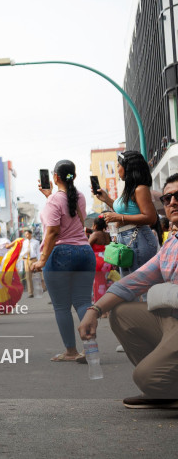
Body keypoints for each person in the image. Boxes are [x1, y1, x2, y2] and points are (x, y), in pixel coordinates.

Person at [78, 172, 178, 408]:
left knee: (146, 378)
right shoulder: (171, 243)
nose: (173, 202)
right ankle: (167, 388)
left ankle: (162, 383)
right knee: (121, 312)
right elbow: (135, 280)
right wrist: (93, 310)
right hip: (171, 318)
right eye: (167, 198)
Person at [32, 160, 95, 362]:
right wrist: (49, 196)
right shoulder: (80, 196)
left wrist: (42, 261)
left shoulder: (54, 201)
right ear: (73, 177)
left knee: (61, 306)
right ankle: (91, 348)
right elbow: (73, 217)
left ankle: (71, 351)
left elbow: (52, 232)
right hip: (85, 252)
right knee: (84, 301)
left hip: (61, 254)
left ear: (55, 177)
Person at [95, 151, 158, 276]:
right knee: (129, 287)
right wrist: (106, 199)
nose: (117, 169)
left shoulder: (140, 189)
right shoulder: (130, 189)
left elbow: (151, 218)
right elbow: (124, 211)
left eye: (118, 166)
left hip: (138, 238)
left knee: (140, 287)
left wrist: (119, 217)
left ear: (127, 168)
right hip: (127, 239)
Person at [89, 217, 113, 303]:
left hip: (97, 262)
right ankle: (107, 305)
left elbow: (88, 247)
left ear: (95, 225)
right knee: (105, 283)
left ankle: (101, 307)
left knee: (98, 284)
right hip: (107, 261)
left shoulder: (95, 235)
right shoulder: (107, 235)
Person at [21, 229, 43, 297]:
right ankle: (30, 293)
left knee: (36, 276)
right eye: (25, 234)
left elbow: (38, 252)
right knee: (28, 277)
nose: (26, 235)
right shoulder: (24, 242)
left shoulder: (36, 242)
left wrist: (39, 261)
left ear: (30, 234)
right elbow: (22, 252)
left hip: (34, 260)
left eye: (27, 234)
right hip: (26, 260)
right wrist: (23, 255)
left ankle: (39, 290)